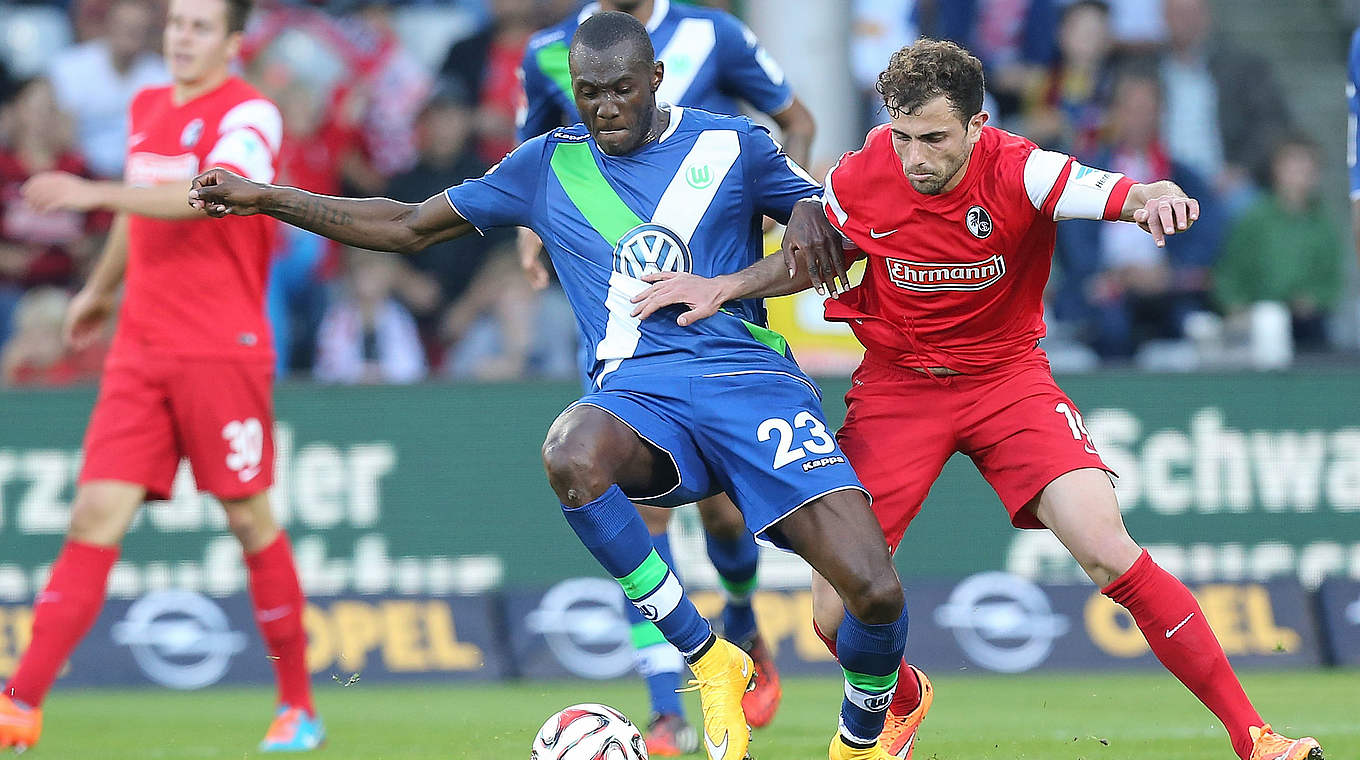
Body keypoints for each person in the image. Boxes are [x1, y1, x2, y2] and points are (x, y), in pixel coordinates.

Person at [189, 13, 911, 760]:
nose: (604, 109)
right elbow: (406, 223)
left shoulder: (731, 143)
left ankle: (859, 741)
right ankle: (707, 657)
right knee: (571, 450)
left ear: (655, 79)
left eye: (621, 91)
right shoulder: (544, 165)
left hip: (750, 383)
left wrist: (786, 226)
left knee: (876, 593)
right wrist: (270, 197)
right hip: (640, 398)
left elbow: (822, 223)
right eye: (590, 93)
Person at [630, 39, 1325, 760]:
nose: (915, 158)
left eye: (934, 138)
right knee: (833, 615)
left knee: (1107, 550)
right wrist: (722, 286)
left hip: (1008, 381)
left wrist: (1156, 197)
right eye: (902, 137)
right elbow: (810, 261)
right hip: (898, 386)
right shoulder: (859, 177)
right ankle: (902, 697)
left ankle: (1256, 738)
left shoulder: (1024, 169)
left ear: (977, 124)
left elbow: (1110, 191)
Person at [0, 0, 324, 753]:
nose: (182, 36)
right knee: (93, 519)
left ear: (234, 43)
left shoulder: (251, 113)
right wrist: (102, 289)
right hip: (140, 348)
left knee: (248, 520)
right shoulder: (146, 104)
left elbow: (212, 196)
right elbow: (134, 217)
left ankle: (300, 707)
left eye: (200, 26)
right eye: (177, 23)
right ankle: (20, 704)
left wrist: (93, 192)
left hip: (220, 346)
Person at [518, 2, 817, 746]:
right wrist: (533, 231)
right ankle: (665, 708)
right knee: (629, 500)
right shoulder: (551, 51)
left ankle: (743, 621)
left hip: (714, 304)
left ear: (654, 75)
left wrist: (775, 221)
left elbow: (796, 119)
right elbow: (533, 151)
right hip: (618, 298)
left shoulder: (715, 34)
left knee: (721, 517)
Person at [1213, 134, 1342, 353]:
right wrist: (1235, 306)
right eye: (1292, 166)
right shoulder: (1254, 218)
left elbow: (1331, 279)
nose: (1298, 175)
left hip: (1307, 322)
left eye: (1306, 168)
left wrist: (1314, 299)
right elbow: (1230, 269)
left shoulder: (1323, 225)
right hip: (1258, 318)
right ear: (1276, 170)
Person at [47, 0, 169, 179]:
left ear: (148, 33)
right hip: (79, 173)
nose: (129, 35)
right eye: (123, 26)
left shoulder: (162, 77)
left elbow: (160, 139)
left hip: (137, 177)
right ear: (107, 25)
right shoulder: (70, 68)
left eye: (137, 30)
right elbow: (61, 137)